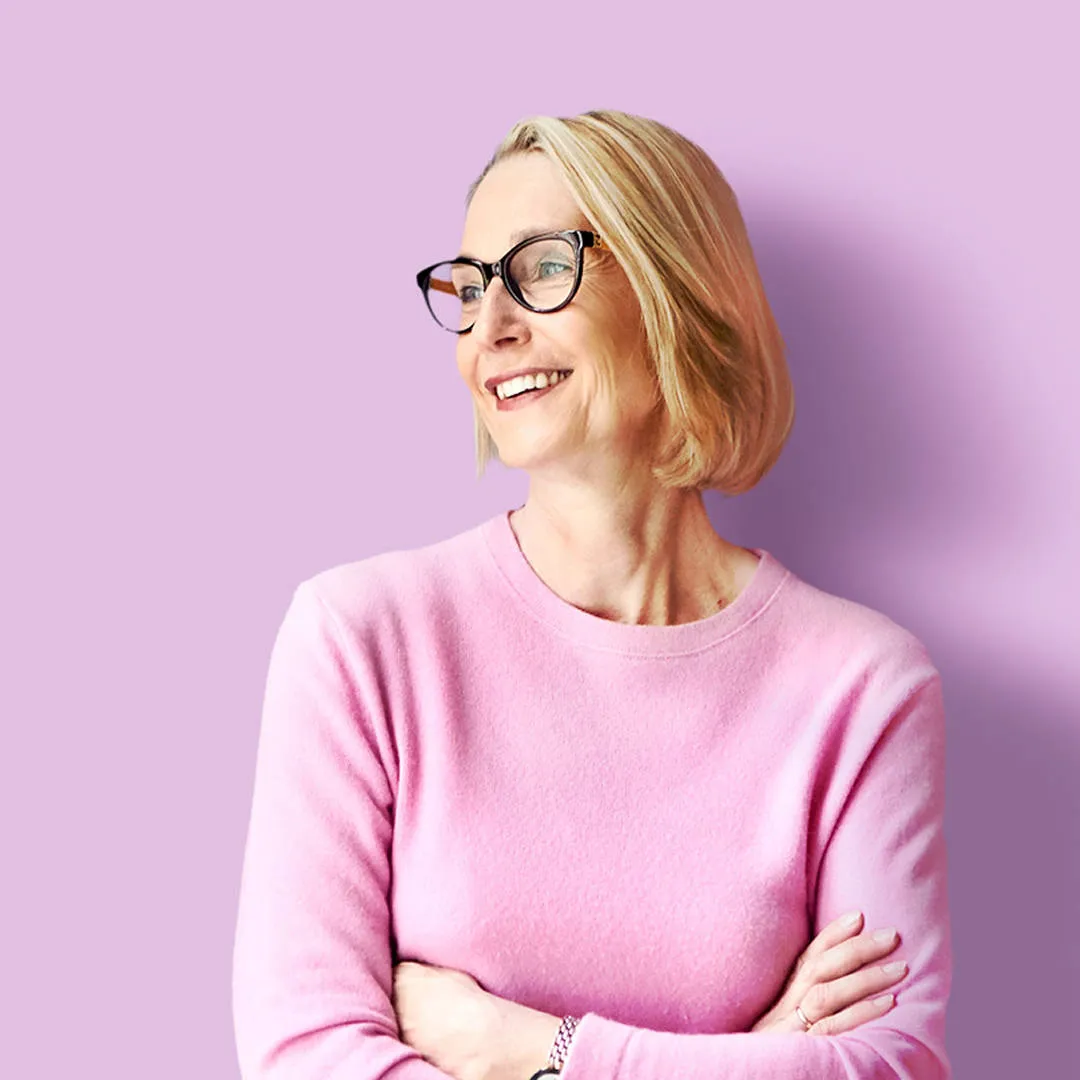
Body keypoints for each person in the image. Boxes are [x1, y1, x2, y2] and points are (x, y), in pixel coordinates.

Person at [231, 109, 952, 1080]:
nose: (491, 328)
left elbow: (892, 1065)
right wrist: (758, 1059)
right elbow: (305, 1059)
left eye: (537, 270)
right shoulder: (360, 642)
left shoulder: (862, 685)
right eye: (470, 286)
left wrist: (535, 1051)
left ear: (675, 292)